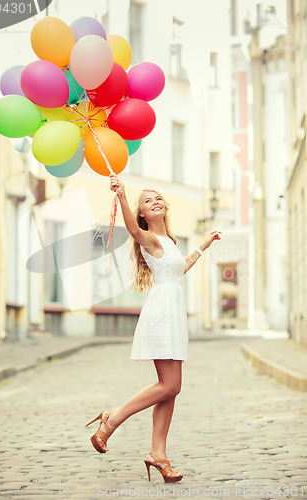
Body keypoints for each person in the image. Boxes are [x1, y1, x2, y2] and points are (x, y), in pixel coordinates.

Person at [86, 173, 222, 483]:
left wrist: (204, 244)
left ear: (165, 207)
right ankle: (113, 420)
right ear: (143, 214)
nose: (155, 201)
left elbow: (179, 269)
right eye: (147, 201)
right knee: (170, 385)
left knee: (170, 390)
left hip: (173, 313)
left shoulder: (170, 242)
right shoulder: (147, 237)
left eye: (158, 197)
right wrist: (121, 194)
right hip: (162, 314)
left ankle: (158, 455)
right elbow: (132, 231)